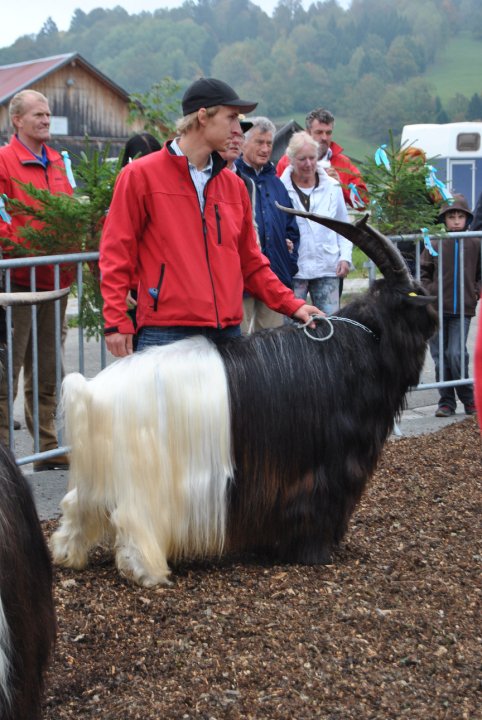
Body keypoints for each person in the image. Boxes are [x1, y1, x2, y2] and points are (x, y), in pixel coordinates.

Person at [99, 78, 320, 356]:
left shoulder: (234, 185)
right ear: (203, 116)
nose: (238, 130)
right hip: (167, 332)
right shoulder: (139, 176)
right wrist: (116, 320)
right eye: (231, 118)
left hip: (225, 333)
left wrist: (293, 304)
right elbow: (116, 251)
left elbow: (251, 263)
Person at [0, 89, 74, 470]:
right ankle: (3, 455)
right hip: (16, 283)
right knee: (6, 371)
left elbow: (72, 209)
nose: (46, 120)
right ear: (18, 120)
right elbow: (1, 222)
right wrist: (30, 249)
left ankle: (47, 447)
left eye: (48, 115)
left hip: (55, 282)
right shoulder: (3, 162)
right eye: (38, 115)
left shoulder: (60, 161)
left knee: (47, 369)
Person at [235, 116, 300, 332]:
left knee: (273, 342)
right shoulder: (233, 179)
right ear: (244, 143)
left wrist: (288, 260)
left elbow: (292, 228)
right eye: (259, 142)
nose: (265, 149)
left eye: (269, 143)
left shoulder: (276, 183)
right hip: (241, 279)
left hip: (274, 276)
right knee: (240, 342)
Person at [420, 195, 480, 417]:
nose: (456, 221)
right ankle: (446, 402)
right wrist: (429, 291)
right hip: (437, 310)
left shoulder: (475, 242)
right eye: (451, 217)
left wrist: (476, 290)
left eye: (460, 216)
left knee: (456, 354)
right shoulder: (435, 242)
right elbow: (424, 270)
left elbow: (480, 273)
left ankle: (468, 398)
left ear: (467, 219)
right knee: (441, 357)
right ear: (444, 219)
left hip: (462, 309)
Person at [279, 131, 352, 315]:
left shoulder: (332, 187)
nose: (309, 164)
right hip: (295, 270)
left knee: (331, 323)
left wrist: (345, 257)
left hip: (328, 267)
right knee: (293, 328)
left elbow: (344, 226)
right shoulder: (280, 188)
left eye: (312, 158)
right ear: (292, 160)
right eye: (303, 159)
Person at [276, 108, 367, 209]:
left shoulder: (343, 163)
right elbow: (275, 198)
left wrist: (341, 186)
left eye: (328, 133)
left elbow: (363, 203)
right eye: (319, 132)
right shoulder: (287, 162)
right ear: (308, 133)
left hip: (331, 224)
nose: (324, 138)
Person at [120, 133, 162, 347]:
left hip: (156, 288)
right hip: (134, 290)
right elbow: (116, 246)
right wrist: (122, 288)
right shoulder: (124, 190)